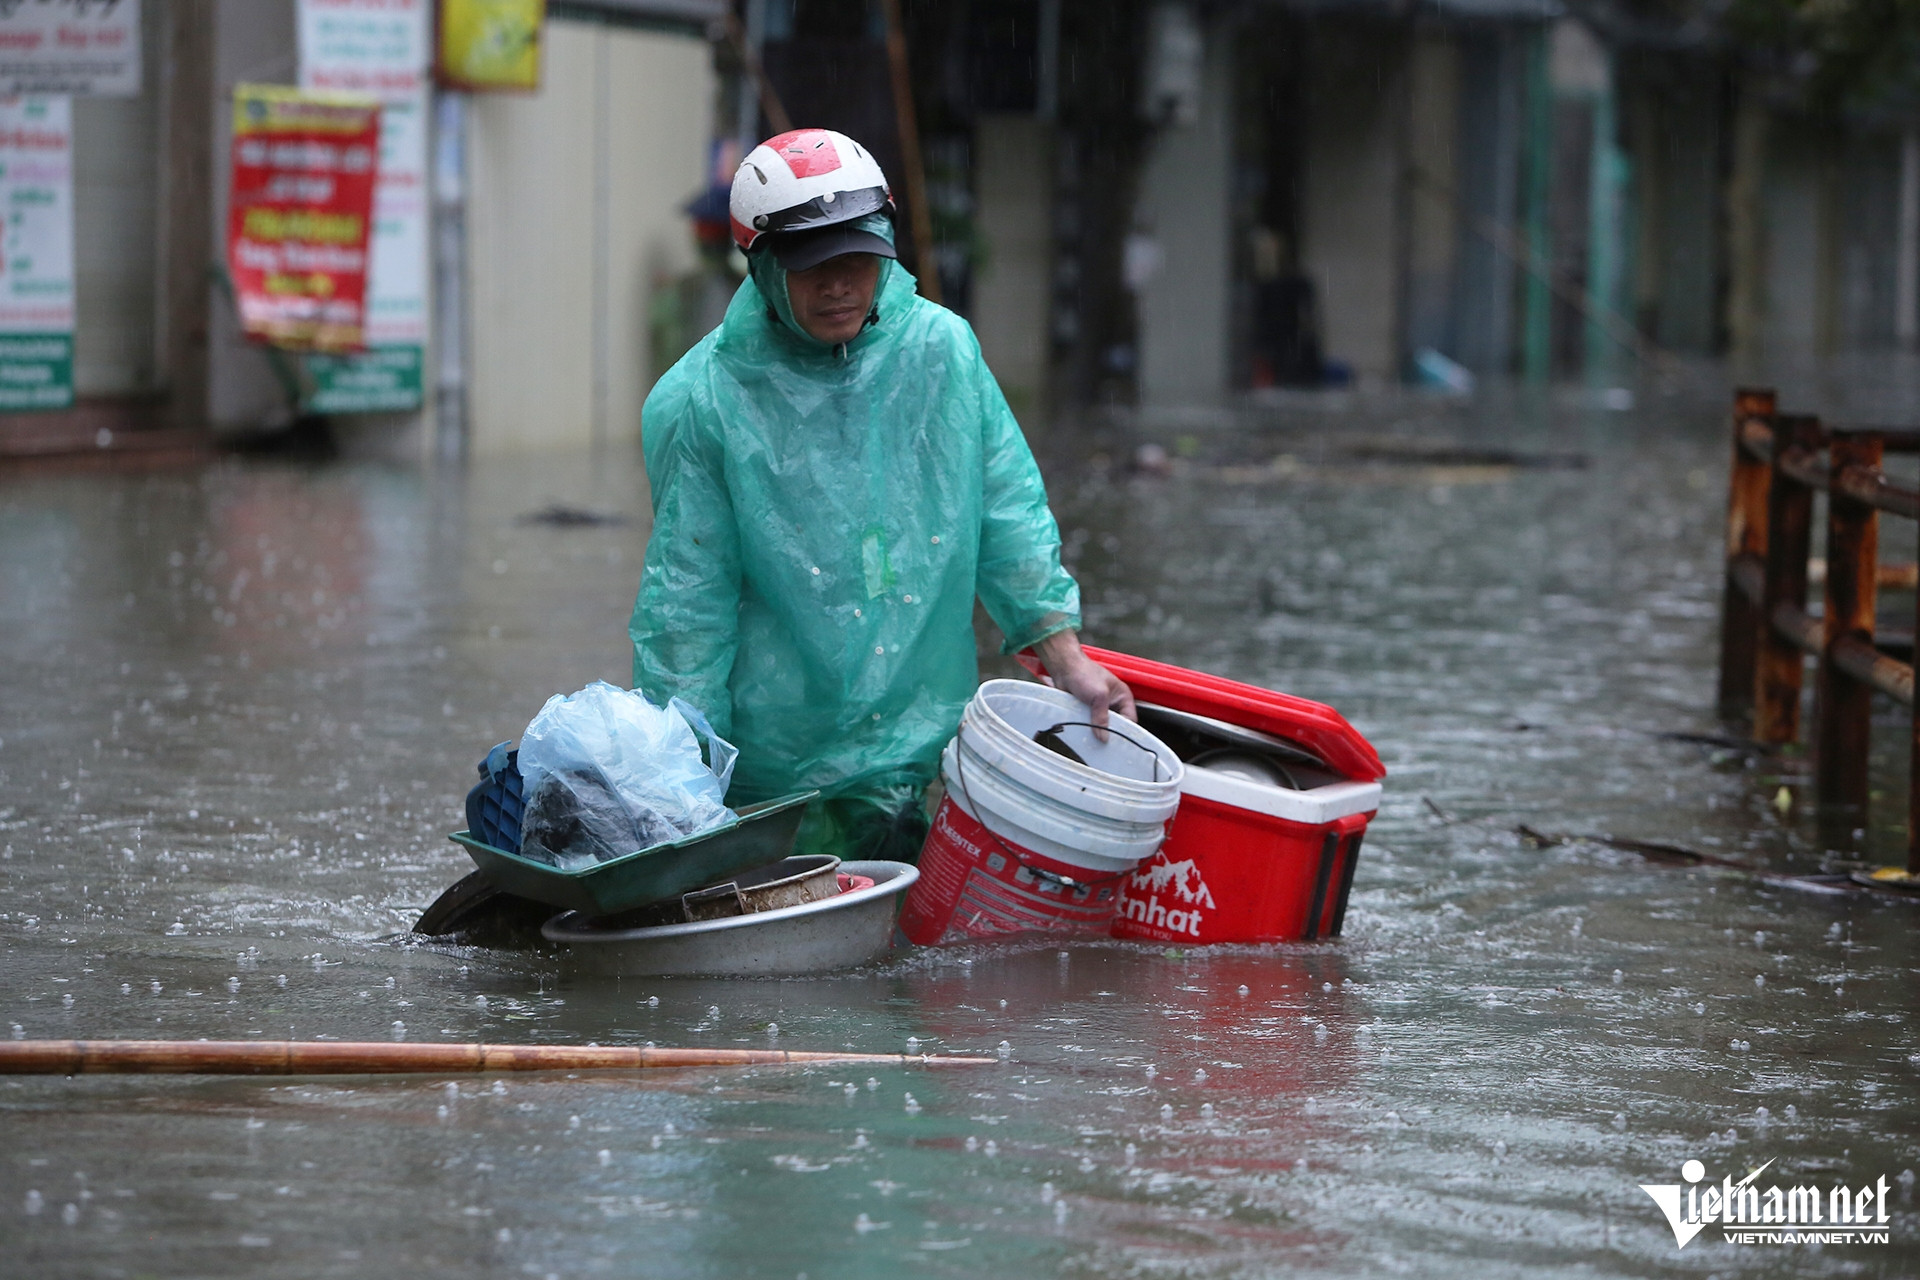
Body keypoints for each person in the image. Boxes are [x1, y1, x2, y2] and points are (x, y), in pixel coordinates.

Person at [631, 128, 1132, 862]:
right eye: (813, 266)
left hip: (918, 748)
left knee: (914, 959)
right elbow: (688, 604)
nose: (839, 284)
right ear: (764, 267)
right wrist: (680, 777)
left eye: (858, 261)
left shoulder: (941, 354)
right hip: (772, 772)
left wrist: (1066, 658)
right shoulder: (704, 400)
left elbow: (1007, 510)